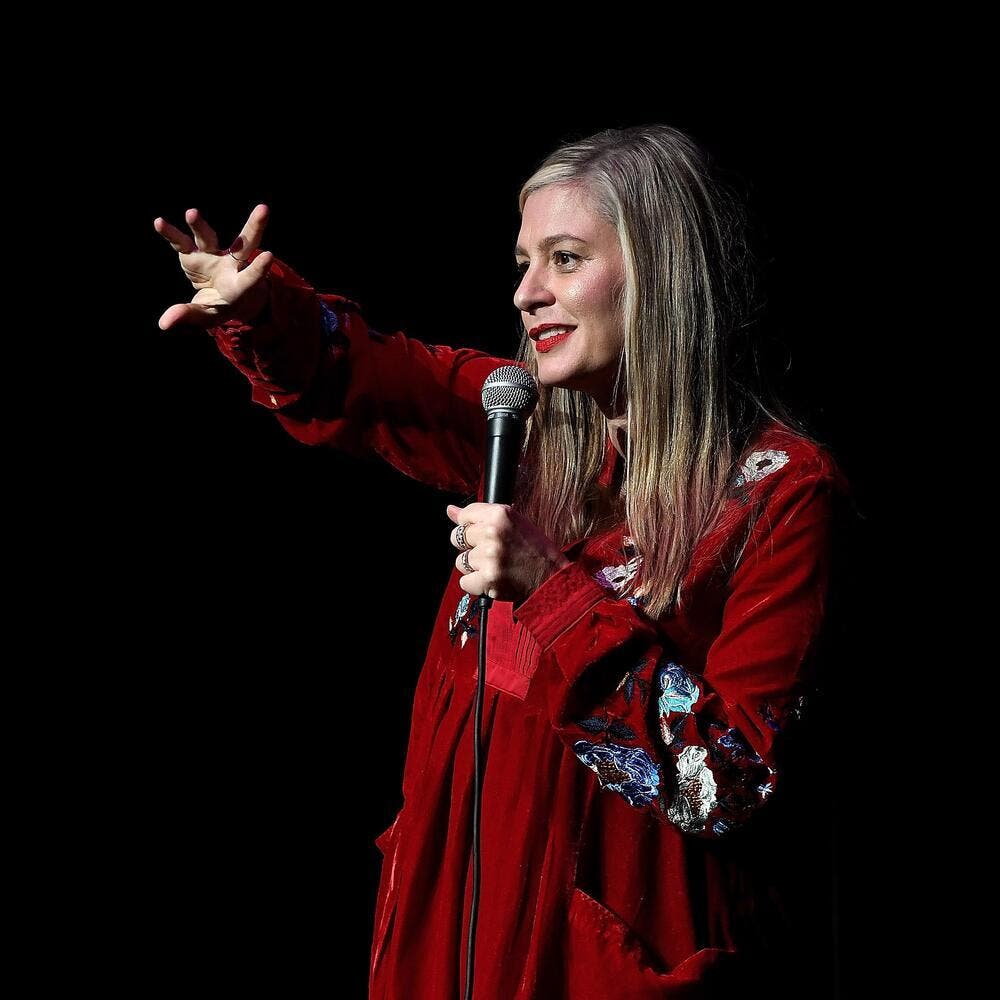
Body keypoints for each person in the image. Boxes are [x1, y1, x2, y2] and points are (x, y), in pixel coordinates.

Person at [154, 124, 853, 999]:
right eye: (524, 263)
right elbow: (373, 379)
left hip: (595, 966)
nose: (526, 293)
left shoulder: (780, 493)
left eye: (565, 259)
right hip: (451, 943)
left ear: (663, 276)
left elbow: (730, 779)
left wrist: (552, 590)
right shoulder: (520, 433)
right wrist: (263, 311)